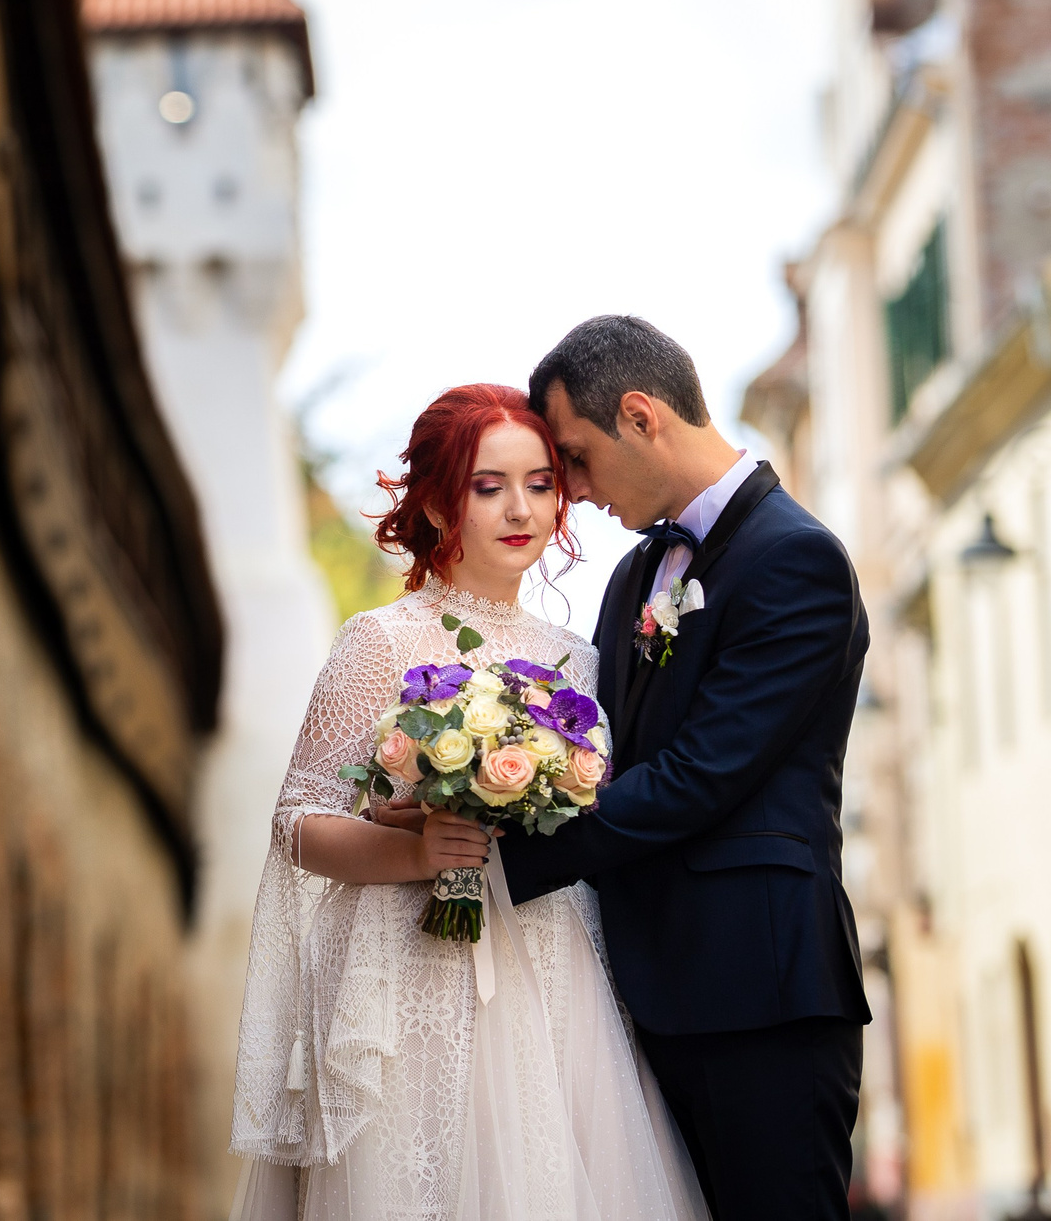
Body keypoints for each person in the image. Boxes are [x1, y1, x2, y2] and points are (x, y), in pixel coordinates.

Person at [229, 382, 707, 1221]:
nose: (519, 507)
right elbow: (296, 821)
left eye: (540, 483)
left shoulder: (582, 660)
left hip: (556, 971)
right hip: (413, 977)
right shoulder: (379, 640)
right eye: (489, 485)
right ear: (442, 501)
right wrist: (414, 852)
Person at [495, 316, 870, 1219]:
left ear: (640, 415)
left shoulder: (798, 559)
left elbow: (704, 773)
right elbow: (600, 754)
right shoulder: (633, 578)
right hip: (642, 993)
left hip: (761, 997)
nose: (572, 493)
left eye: (577, 459)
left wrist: (500, 856)